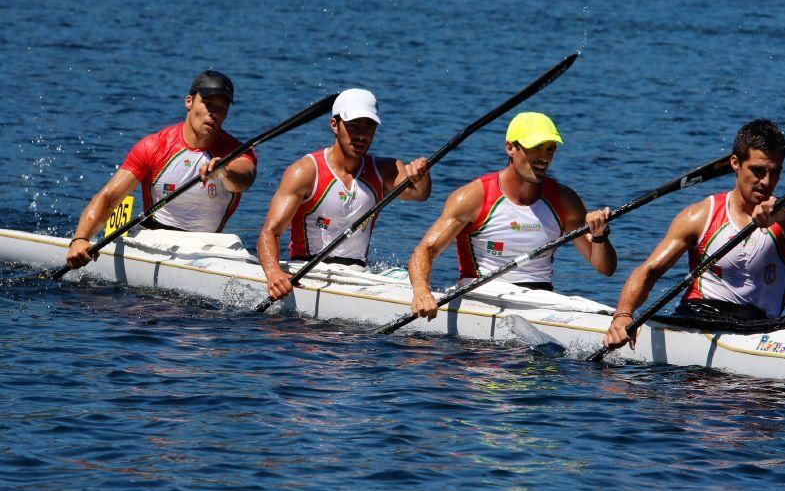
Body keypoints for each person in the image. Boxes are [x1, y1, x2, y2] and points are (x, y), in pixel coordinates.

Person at [604, 119, 785, 350]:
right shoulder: (700, 216)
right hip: (700, 318)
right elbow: (650, 271)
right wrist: (623, 315)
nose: (766, 182)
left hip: (759, 328)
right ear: (735, 163)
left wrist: (782, 217)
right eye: (758, 171)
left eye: (774, 172)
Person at [408, 112, 617, 320]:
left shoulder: (565, 200)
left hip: (539, 300)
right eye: (535, 147)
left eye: (550, 149)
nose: (544, 157)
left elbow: (605, 268)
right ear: (510, 148)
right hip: (480, 297)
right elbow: (426, 250)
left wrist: (600, 236)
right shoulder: (472, 198)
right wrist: (421, 291)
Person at [66, 70, 258, 269]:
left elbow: (244, 178)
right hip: (153, 240)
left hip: (209, 248)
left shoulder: (238, 152)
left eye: (222, 108)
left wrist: (223, 171)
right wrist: (80, 239)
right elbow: (109, 198)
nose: (214, 113)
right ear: (189, 102)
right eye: (208, 104)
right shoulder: (154, 147)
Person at [257, 88, 431, 300]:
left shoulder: (385, 169)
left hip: (359, 275)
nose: (361, 136)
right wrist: (273, 272)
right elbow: (270, 231)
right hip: (308, 270)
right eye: (353, 126)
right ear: (334, 125)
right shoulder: (305, 171)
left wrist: (422, 172)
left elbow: (420, 194)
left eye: (369, 127)